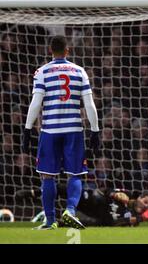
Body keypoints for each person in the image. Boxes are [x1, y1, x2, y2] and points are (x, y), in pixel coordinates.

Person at [21, 35, 100, 230]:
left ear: (50, 50)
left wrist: (27, 129)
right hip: (73, 130)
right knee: (75, 174)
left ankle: (50, 221)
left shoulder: (42, 72)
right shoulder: (79, 71)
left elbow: (36, 103)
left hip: (50, 131)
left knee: (48, 176)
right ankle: (70, 211)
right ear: (67, 50)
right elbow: (89, 104)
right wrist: (95, 131)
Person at [16, 187, 148, 227]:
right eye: (145, 201)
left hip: (95, 218)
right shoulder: (127, 194)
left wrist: (140, 218)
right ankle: (33, 193)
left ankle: (54, 221)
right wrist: (114, 194)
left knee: (97, 223)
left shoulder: (135, 221)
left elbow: (114, 223)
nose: (145, 206)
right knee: (84, 192)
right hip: (94, 203)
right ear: (140, 197)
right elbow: (105, 190)